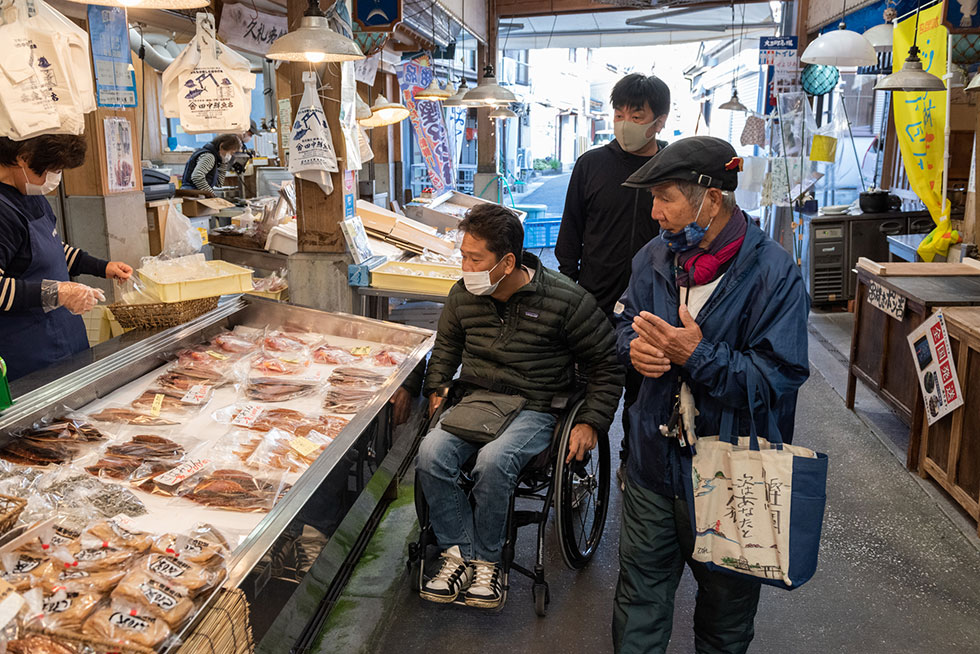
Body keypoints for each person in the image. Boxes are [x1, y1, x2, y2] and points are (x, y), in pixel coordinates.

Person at [611, 136, 809, 653]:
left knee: (725, 621)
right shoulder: (654, 257)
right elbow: (625, 324)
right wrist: (635, 349)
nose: (655, 213)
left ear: (711, 198)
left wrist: (694, 357)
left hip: (733, 473)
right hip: (652, 466)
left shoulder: (774, 273)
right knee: (639, 605)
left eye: (665, 198)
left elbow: (779, 377)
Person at [416, 204, 623, 609]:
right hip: (477, 401)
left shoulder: (566, 300)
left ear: (507, 262)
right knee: (431, 453)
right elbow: (446, 348)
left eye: (475, 259)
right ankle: (460, 555)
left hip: (537, 405)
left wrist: (591, 423)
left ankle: (489, 562)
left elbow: (606, 365)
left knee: (493, 462)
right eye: (463, 255)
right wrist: (436, 388)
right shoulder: (463, 294)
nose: (465, 265)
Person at [555, 72, 671, 488]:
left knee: (644, 398)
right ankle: (575, 469)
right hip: (593, 303)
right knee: (586, 392)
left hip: (653, 309)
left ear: (659, 119)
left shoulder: (672, 168)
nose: (624, 121)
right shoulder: (592, 164)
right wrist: (570, 295)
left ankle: (631, 466)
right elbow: (569, 239)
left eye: (635, 114)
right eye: (618, 112)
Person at [0, 135, 133, 381]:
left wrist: (103, 267)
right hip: (26, 353)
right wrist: (58, 292)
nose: (55, 179)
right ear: (22, 159)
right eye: (52, 170)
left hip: (66, 336)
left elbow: (49, 250)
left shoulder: (30, 193)